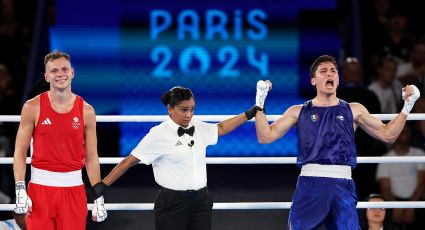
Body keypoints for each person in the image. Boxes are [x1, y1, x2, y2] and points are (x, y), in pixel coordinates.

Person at [254, 54, 420, 229]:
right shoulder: (298, 111)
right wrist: (260, 102)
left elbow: (388, 135)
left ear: (338, 79)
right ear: (313, 81)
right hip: (310, 182)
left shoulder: (354, 110)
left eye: (333, 71)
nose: (329, 74)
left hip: (342, 183)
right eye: (323, 71)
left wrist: (407, 106)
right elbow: (265, 137)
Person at [90, 86, 262, 230]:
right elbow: (129, 160)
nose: (189, 115)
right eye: (184, 110)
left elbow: (222, 128)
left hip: (201, 202)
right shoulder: (158, 134)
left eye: (192, 109)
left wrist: (248, 114)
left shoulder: (199, 127)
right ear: (170, 109)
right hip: (172, 204)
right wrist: (103, 185)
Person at [12, 51, 107, 230]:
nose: (60, 74)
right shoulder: (32, 107)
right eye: (54, 70)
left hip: (74, 191)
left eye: (64, 69)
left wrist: (98, 196)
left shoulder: (87, 111)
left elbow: (92, 157)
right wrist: (20, 189)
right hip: (40, 190)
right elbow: (20, 152)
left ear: (72, 72)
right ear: (47, 76)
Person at [376, 125, 425, 229]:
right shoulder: (385, 158)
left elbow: (422, 182)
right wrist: (395, 207)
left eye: (405, 132)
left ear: (409, 134)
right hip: (393, 201)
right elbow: (384, 188)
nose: (402, 135)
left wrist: (411, 206)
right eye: (399, 132)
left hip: (416, 200)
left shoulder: (419, 154)